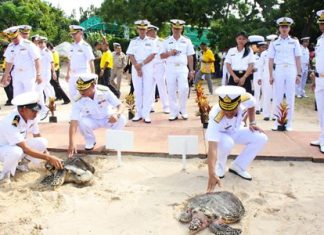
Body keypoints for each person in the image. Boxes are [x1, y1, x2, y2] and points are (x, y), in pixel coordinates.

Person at [205, 86, 268, 192]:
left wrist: (252, 122)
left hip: (236, 129)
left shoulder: (245, 99)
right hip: (221, 135)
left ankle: (238, 166)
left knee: (261, 138)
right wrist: (211, 173)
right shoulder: (215, 116)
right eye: (225, 111)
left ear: (238, 104)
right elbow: (212, 148)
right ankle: (219, 167)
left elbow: (252, 105)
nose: (228, 114)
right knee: (227, 143)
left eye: (231, 110)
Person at [0, 92, 63, 182]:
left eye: (37, 110)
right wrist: (48, 158)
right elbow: (25, 149)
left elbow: (36, 135)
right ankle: (4, 175)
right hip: (3, 149)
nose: (36, 113)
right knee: (16, 152)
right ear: (22, 110)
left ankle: (22, 164)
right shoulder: (12, 122)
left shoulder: (31, 116)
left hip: (17, 145)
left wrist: (46, 152)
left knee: (42, 142)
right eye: (33, 111)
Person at [68, 73, 126, 155]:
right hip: (92, 120)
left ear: (93, 85)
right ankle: (90, 140)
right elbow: (73, 121)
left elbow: (120, 105)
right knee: (81, 121)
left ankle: (113, 142)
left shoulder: (104, 91)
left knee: (122, 119)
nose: (81, 92)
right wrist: (71, 143)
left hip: (108, 118)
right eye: (79, 89)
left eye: (84, 89)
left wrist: (117, 114)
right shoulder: (78, 99)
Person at [268, 17, 302, 131]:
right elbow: (270, 60)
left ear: (289, 28)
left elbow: (298, 58)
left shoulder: (294, 42)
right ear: (279, 28)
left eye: (286, 26)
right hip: (279, 69)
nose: (284, 29)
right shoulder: (274, 43)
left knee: (290, 96)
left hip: (291, 69)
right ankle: (277, 122)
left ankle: (289, 123)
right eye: (282, 26)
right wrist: (270, 75)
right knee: (277, 96)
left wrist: (299, 74)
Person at [160, 19, 195, 121]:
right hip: (170, 67)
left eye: (178, 29)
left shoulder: (186, 40)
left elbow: (190, 56)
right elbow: (161, 56)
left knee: (184, 89)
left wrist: (191, 70)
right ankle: (173, 112)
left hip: (182, 68)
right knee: (171, 90)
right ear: (172, 28)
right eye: (175, 28)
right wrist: (170, 53)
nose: (176, 30)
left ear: (182, 29)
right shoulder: (166, 41)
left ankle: (183, 110)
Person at [126, 20, 157, 123]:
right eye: (140, 29)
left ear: (147, 29)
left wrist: (141, 64)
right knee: (138, 91)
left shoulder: (152, 41)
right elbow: (130, 54)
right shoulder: (133, 41)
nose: (142, 31)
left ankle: (146, 114)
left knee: (147, 91)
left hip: (147, 66)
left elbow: (153, 55)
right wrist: (137, 66)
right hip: (136, 66)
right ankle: (138, 113)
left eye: (144, 29)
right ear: (137, 29)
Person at [1, 26, 41, 97]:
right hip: (17, 74)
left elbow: (37, 59)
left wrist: (38, 74)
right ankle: (18, 108)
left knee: (30, 96)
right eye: (12, 38)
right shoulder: (10, 47)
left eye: (15, 37)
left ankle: (31, 108)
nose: (14, 40)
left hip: (28, 74)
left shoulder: (28, 44)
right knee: (17, 96)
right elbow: (9, 62)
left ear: (19, 34)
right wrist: (6, 75)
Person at [65, 25, 95, 99]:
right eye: (72, 34)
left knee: (83, 96)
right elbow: (69, 60)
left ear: (81, 33)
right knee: (73, 95)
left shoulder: (85, 46)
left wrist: (93, 76)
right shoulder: (71, 46)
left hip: (83, 73)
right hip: (73, 74)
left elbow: (91, 61)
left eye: (75, 34)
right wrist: (68, 73)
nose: (73, 36)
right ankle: (75, 110)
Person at [146, 24, 170, 114]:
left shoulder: (162, 42)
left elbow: (164, 54)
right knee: (150, 86)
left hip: (159, 65)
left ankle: (166, 106)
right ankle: (151, 106)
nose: (147, 33)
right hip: (149, 66)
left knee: (162, 86)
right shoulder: (146, 42)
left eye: (149, 31)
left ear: (154, 31)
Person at [310, 10, 324, 154]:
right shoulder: (320, 40)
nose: (322, 25)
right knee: (321, 110)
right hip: (320, 79)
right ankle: (322, 137)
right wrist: (314, 78)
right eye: (321, 23)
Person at [259, 34, 278, 121]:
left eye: (273, 42)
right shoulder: (264, 53)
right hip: (266, 76)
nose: (272, 44)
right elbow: (260, 66)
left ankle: (275, 114)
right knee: (266, 95)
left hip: (277, 76)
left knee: (276, 96)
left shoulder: (279, 53)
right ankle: (266, 114)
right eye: (270, 42)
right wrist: (259, 77)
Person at [248, 35, 265, 114]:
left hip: (265, 76)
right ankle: (256, 108)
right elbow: (251, 67)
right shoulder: (254, 57)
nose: (263, 49)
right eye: (261, 47)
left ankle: (262, 106)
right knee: (257, 92)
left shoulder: (266, 56)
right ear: (258, 48)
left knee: (264, 92)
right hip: (257, 76)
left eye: (264, 47)